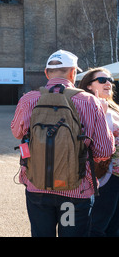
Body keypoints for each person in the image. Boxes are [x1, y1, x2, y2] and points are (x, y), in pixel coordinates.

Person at [11, 50, 115, 237]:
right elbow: (105, 150)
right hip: (75, 191)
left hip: (37, 186)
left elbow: (17, 132)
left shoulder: (28, 100)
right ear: (73, 73)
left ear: (46, 73)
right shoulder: (89, 102)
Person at [78, 67, 119, 236]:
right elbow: (90, 141)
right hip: (104, 177)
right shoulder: (86, 107)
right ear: (88, 86)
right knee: (97, 226)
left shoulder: (113, 108)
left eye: (109, 79)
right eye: (102, 80)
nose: (108, 82)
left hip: (115, 176)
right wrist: (100, 113)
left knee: (114, 226)